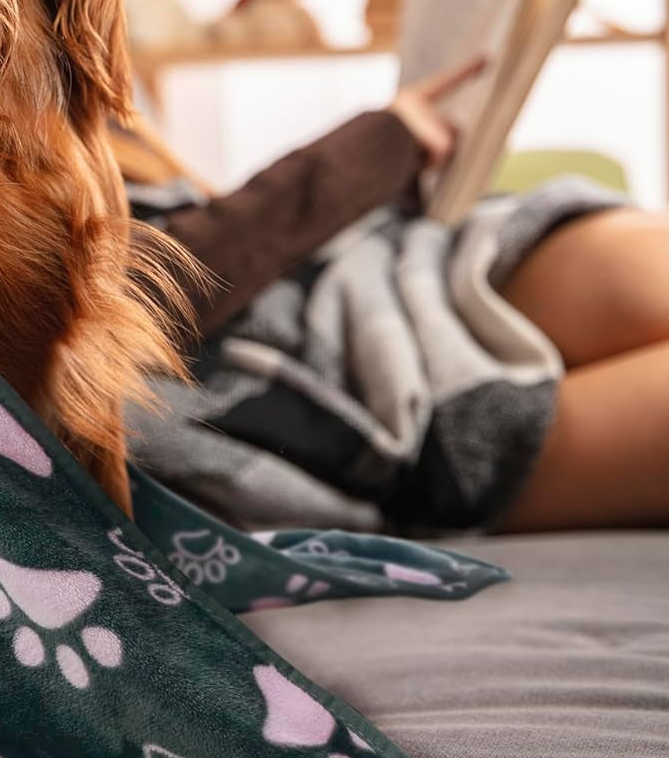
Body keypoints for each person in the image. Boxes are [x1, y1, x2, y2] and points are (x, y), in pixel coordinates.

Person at [116, 62, 669, 535]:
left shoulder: (79, 107)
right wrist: (380, 146)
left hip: (401, 255)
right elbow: (127, 303)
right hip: (357, 387)